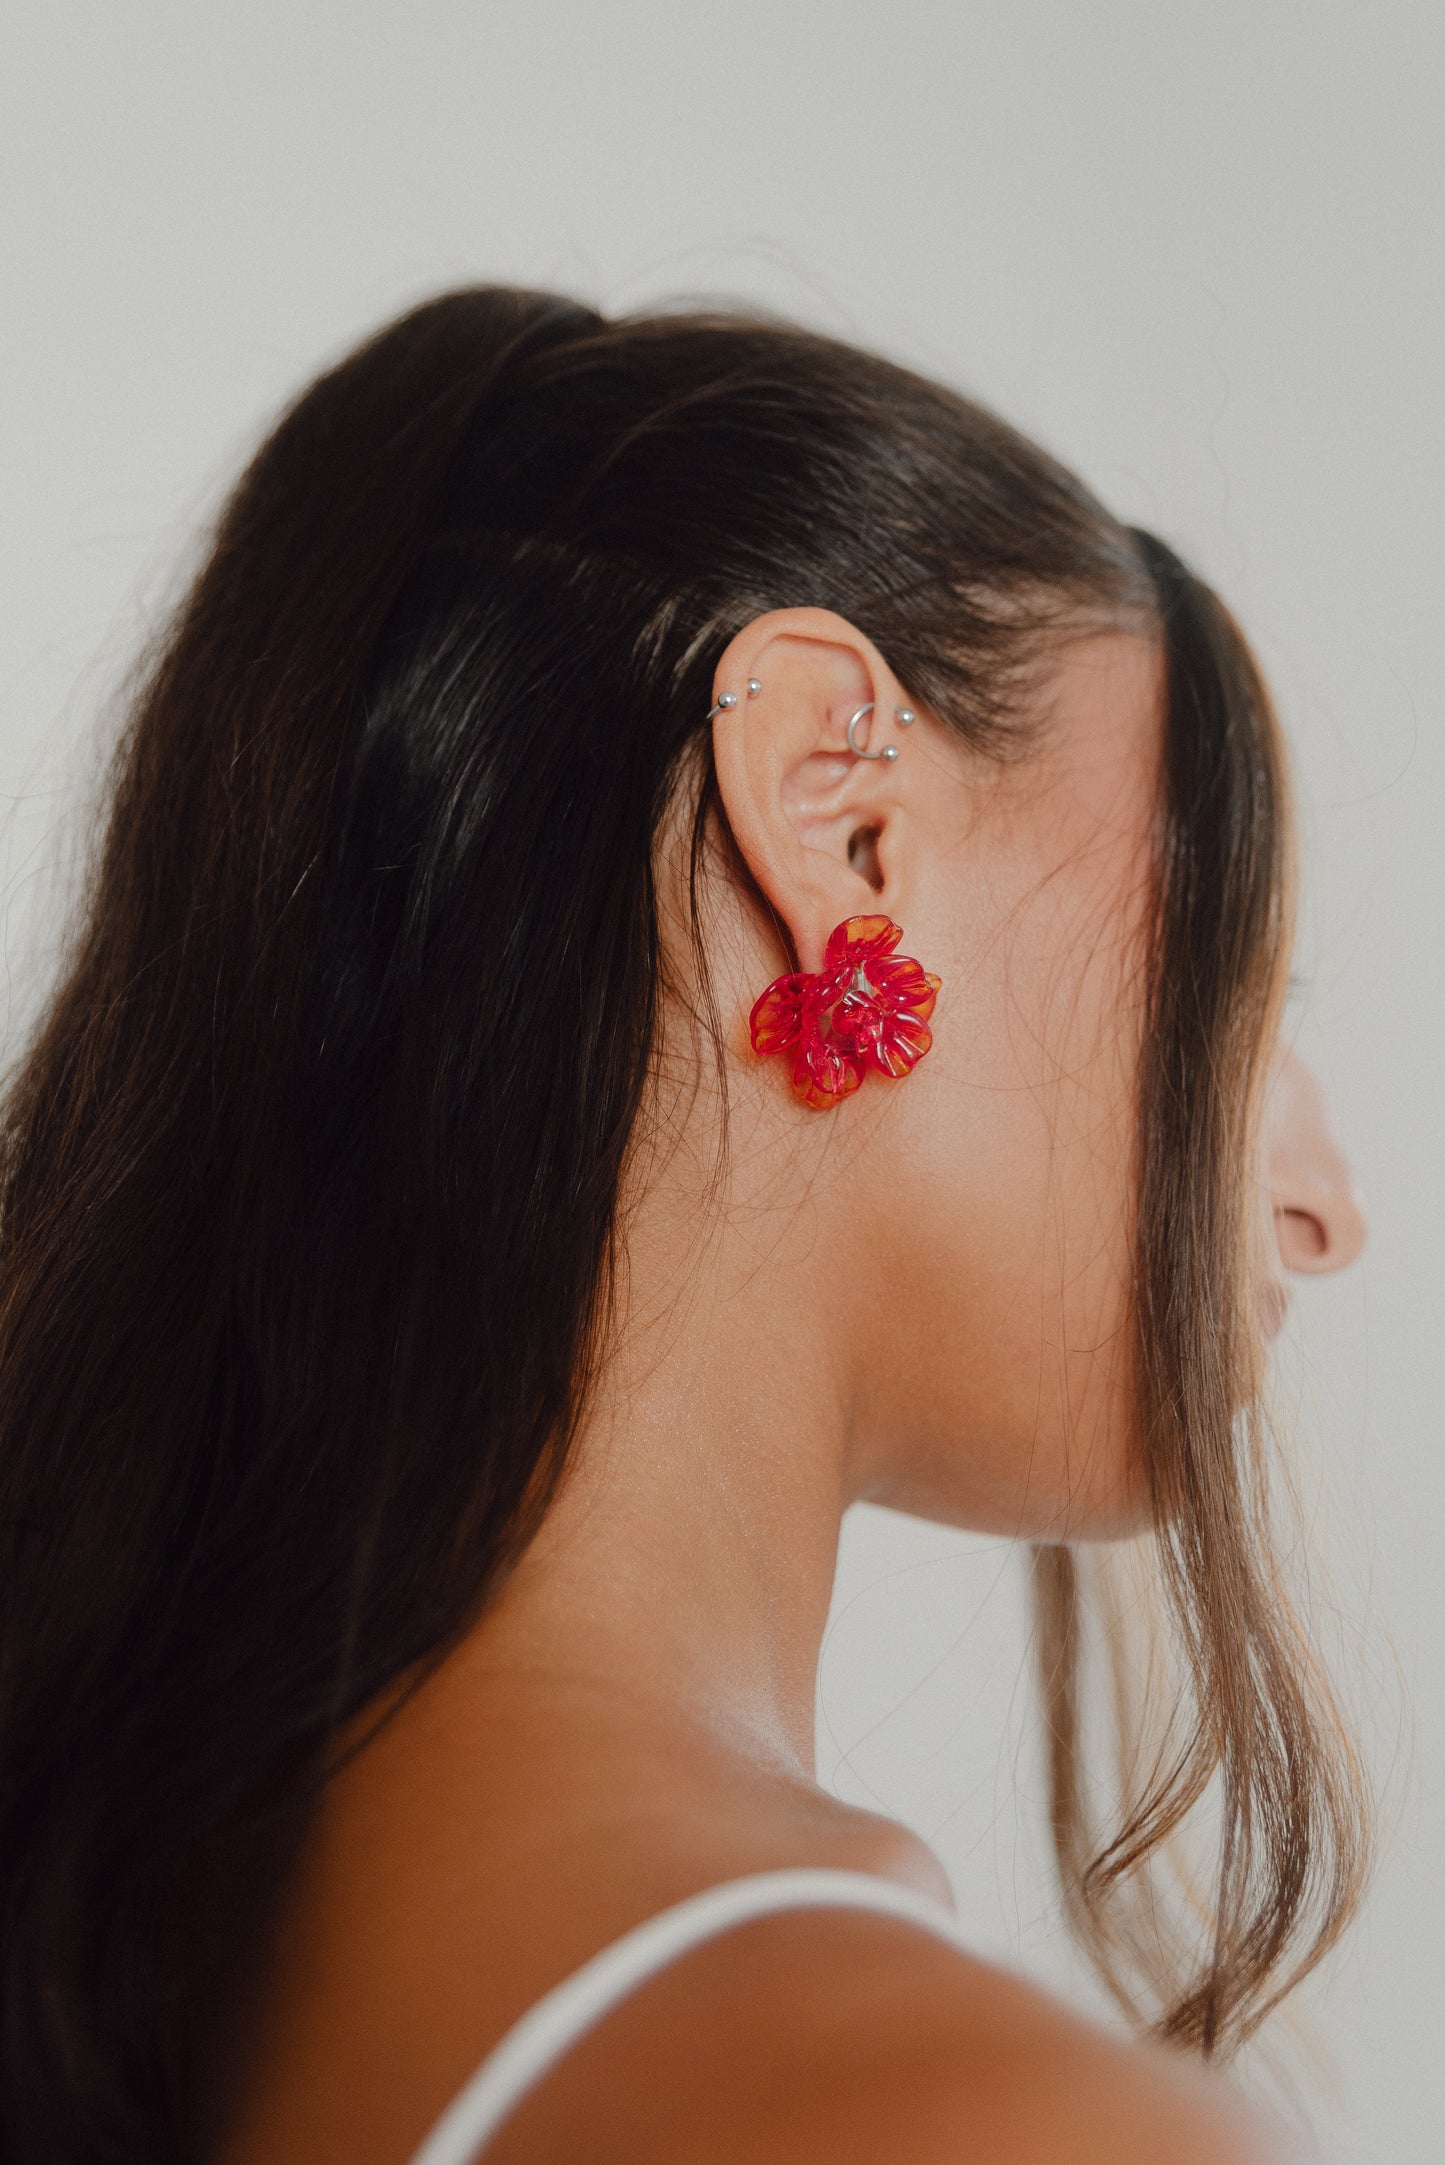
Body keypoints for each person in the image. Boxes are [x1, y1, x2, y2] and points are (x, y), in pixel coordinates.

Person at [0, 289, 1371, 2165]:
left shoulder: (175, 1927)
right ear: (837, 814)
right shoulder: (968, 2125)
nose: (1323, 1205)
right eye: (1257, 985)